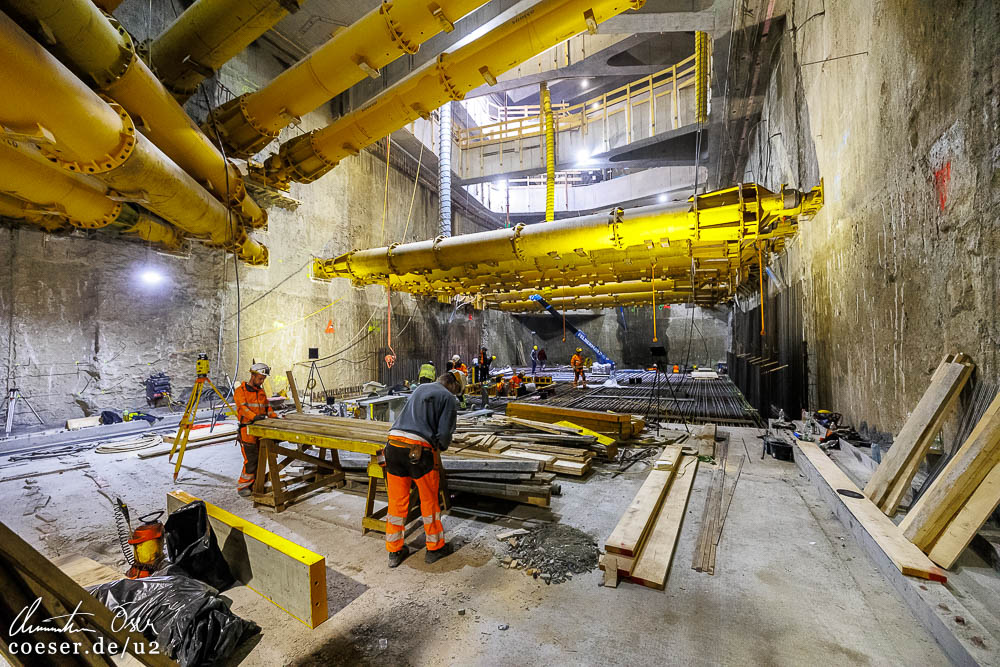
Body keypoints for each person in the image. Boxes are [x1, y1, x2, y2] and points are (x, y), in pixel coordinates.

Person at [382, 370, 465, 568]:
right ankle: (434, 548)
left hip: (392, 447)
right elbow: (444, 435)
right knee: (429, 502)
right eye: (458, 390)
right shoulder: (448, 398)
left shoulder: (420, 388)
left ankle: (394, 551)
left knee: (396, 502)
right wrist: (441, 445)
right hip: (418, 453)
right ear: (453, 385)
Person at [234, 362, 279, 497]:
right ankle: (243, 486)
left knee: (261, 457)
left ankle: (256, 482)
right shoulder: (240, 391)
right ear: (252, 375)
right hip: (247, 431)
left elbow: (267, 408)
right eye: (260, 378)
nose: (262, 381)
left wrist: (274, 419)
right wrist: (254, 417)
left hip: (261, 430)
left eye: (263, 379)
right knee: (251, 459)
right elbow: (243, 408)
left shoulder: (260, 392)